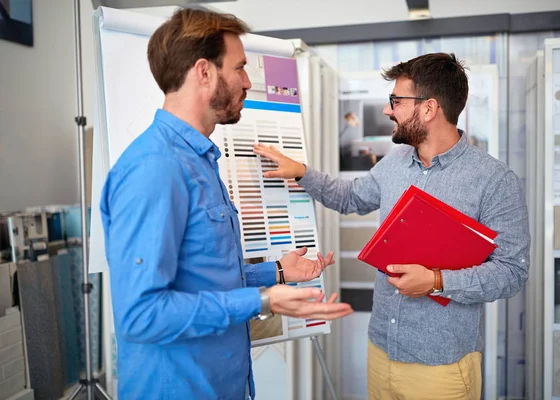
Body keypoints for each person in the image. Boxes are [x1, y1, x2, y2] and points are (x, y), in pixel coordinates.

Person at [99, 8, 353, 400]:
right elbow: (141, 315)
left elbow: (201, 281)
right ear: (204, 72)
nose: (248, 82)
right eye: (240, 68)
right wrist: (264, 299)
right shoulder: (155, 168)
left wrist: (277, 274)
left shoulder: (198, 160)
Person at [253, 52, 530, 399]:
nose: (387, 110)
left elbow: (511, 272)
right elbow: (351, 197)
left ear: (428, 109)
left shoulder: (493, 179)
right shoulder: (395, 162)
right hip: (382, 349)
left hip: (440, 367)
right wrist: (302, 172)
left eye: (396, 101)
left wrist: (437, 281)